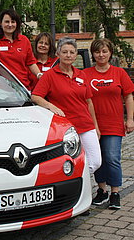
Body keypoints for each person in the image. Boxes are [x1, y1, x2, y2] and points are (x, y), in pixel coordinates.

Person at [31, 37, 101, 174]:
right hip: (65, 128)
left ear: (76, 55)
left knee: (95, 162)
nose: (68, 55)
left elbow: (89, 102)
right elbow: (35, 96)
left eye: (71, 52)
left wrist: (95, 126)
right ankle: (74, 188)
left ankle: (76, 180)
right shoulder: (49, 75)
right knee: (69, 161)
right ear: (58, 54)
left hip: (86, 125)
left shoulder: (81, 75)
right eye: (64, 52)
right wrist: (52, 107)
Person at [84, 38, 134, 209]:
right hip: (92, 125)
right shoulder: (85, 74)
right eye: (97, 51)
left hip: (113, 123)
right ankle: (102, 190)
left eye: (104, 51)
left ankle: (115, 192)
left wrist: (130, 119)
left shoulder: (119, 73)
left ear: (110, 52)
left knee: (112, 158)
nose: (101, 54)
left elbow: (128, 96)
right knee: (98, 160)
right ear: (93, 54)